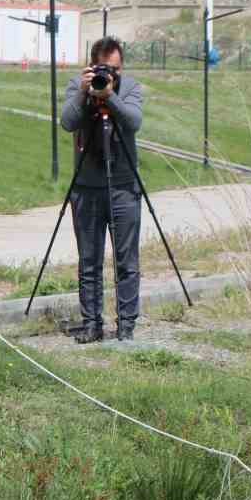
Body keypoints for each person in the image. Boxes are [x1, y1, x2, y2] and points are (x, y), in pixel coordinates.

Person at [59, 35, 145, 344]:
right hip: (87, 188)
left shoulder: (130, 87)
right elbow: (67, 122)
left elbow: (134, 122)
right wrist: (84, 92)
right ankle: (92, 323)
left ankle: (126, 326)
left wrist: (111, 96)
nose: (110, 75)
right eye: (105, 69)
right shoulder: (78, 86)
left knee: (127, 262)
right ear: (91, 65)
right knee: (90, 261)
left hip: (123, 187)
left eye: (117, 69)